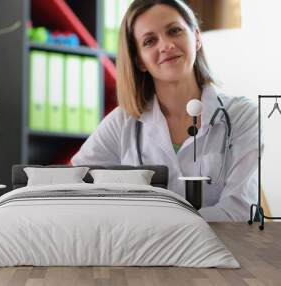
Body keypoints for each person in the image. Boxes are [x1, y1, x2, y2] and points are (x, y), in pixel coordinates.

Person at [71, 0, 259, 222]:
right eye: (150, 41)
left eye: (174, 31)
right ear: (139, 60)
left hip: (218, 251)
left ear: (197, 37)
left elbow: (239, 210)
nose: (166, 45)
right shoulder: (123, 122)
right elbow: (74, 187)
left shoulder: (242, 115)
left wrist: (157, 225)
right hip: (140, 253)